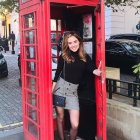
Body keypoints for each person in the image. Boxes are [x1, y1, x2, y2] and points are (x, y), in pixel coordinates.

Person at [52, 31, 101, 140]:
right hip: (60, 89)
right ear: (67, 45)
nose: (73, 44)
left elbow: (92, 68)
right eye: (70, 43)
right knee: (60, 118)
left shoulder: (85, 57)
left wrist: (97, 71)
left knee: (75, 125)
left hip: (73, 93)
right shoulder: (64, 56)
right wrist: (51, 92)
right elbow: (56, 75)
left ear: (79, 41)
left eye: (75, 41)